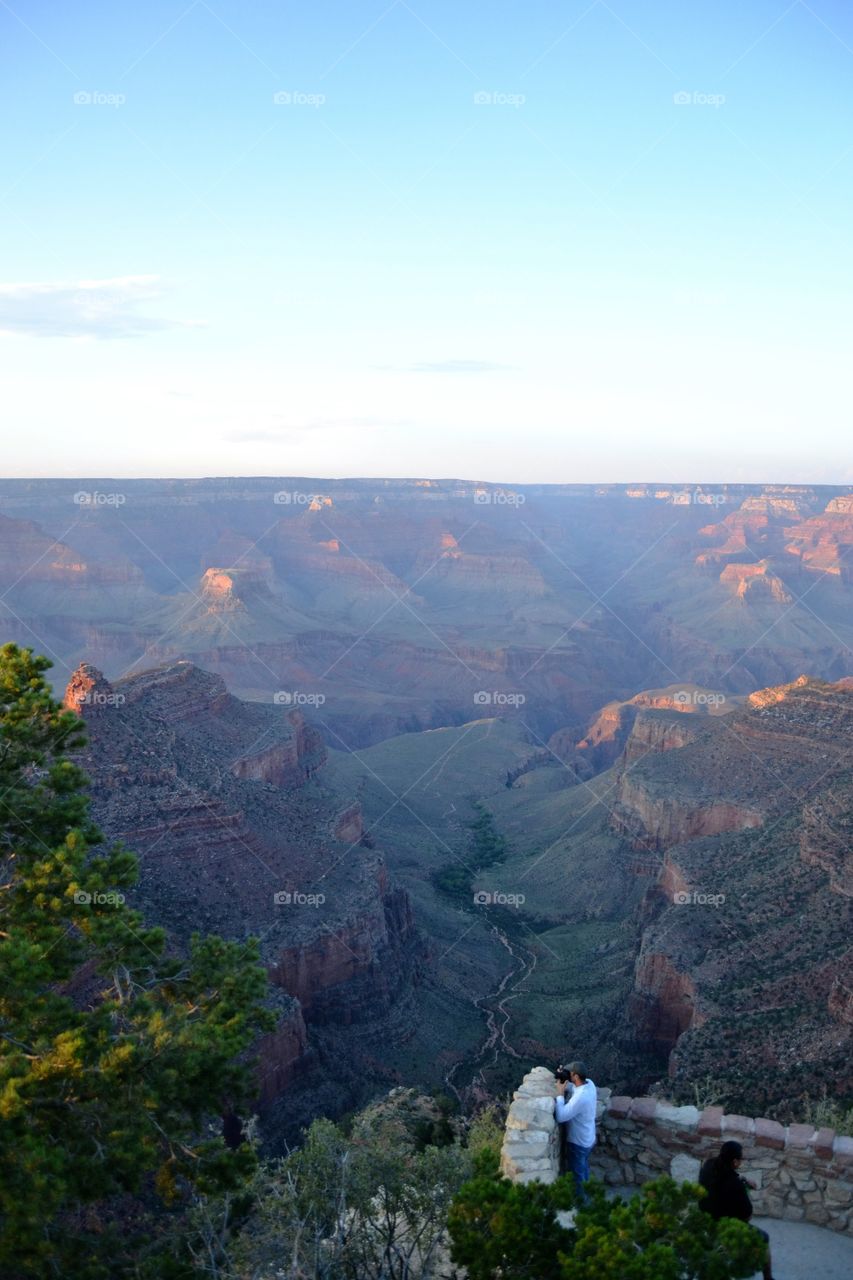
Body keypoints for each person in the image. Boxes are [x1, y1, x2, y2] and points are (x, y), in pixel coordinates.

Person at [699, 1140, 776, 1280]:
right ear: (735, 1162)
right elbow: (747, 1216)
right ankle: (768, 1278)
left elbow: (728, 1175)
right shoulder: (735, 1186)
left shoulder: (708, 1165)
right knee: (764, 1238)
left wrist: (744, 1180)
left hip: (704, 1218)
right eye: (741, 1159)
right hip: (723, 1227)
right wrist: (743, 1190)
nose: (741, 1161)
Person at [554, 1060, 597, 1198]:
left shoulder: (581, 1098)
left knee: (577, 1176)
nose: (569, 1075)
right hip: (589, 1138)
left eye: (570, 1074)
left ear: (576, 1076)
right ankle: (588, 1194)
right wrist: (563, 1078)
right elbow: (574, 1087)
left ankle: (583, 1207)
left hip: (578, 1142)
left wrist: (560, 1094)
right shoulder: (590, 1084)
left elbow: (561, 1116)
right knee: (583, 1169)